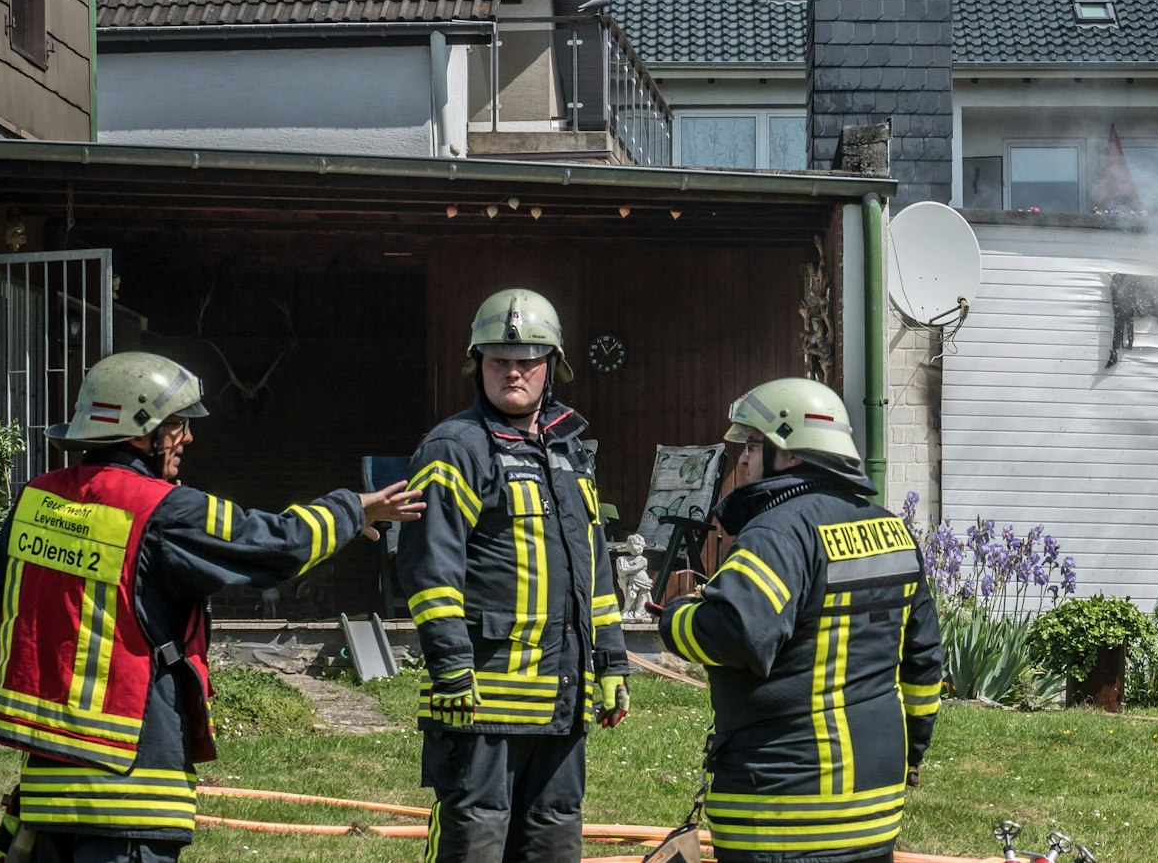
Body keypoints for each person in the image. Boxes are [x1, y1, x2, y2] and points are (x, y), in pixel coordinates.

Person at [0, 351, 424, 862]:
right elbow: (277, 545)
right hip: (132, 787)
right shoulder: (167, 511)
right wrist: (352, 507)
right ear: (139, 430)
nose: (188, 437)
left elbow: (5, 611)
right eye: (177, 423)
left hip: (47, 785)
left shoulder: (34, 503)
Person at [658, 378, 943, 863]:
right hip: (875, 808)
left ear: (787, 455)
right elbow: (923, 663)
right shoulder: (891, 529)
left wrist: (678, 618)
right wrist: (912, 752)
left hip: (784, 813)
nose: (742, 460)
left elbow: (737, 633)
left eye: (751, 445)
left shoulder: (778, 532)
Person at [397, 288, 628, 863]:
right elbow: (431, 571)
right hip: (481, 703)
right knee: (475, 843)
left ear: (552, 367)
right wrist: (451, 669)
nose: (513, 371)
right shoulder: (454, 448)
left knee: (554, 840)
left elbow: (595, 568)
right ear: (478, 365)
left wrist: (612, 663)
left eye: (528, 359)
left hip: (560, 698)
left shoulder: (569, 451)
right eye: (499, 360)